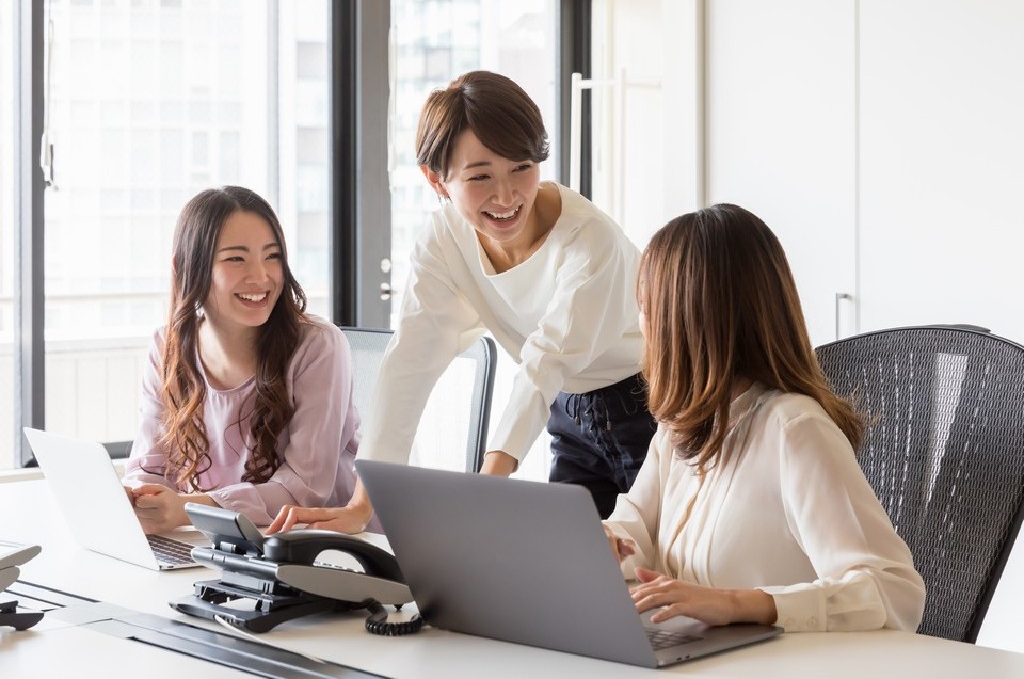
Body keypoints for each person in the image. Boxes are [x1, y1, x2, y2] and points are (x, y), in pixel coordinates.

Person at [269, 70, 656, 534]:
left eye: (522, 168)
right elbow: (408, 366)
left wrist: (484, 488)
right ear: (436, 180)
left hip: (650, 406)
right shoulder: (443, 243)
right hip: (568, 412)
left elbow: (546, 361)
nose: (508, 196)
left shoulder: (588, 240)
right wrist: (362, 503)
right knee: (575, 570)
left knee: (660, 574)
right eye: (480, 177)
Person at [602, 203, 926, 632]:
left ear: (688, 322)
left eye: (646, 307)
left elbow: (893, 592)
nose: (640, 324)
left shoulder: (794, 431)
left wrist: (742, 604)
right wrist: (607, 543)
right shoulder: (680, 426)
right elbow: (637, 527)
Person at [123, 186, 366, 534]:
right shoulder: (168, 346)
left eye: (272, 256)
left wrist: (188, 509)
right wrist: (140, 497)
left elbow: (304, 490)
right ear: (189, 266)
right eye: (236, 259)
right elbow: (148, 466)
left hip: (320, 549)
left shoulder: (319, 346)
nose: (261, 277)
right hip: (221, 542)